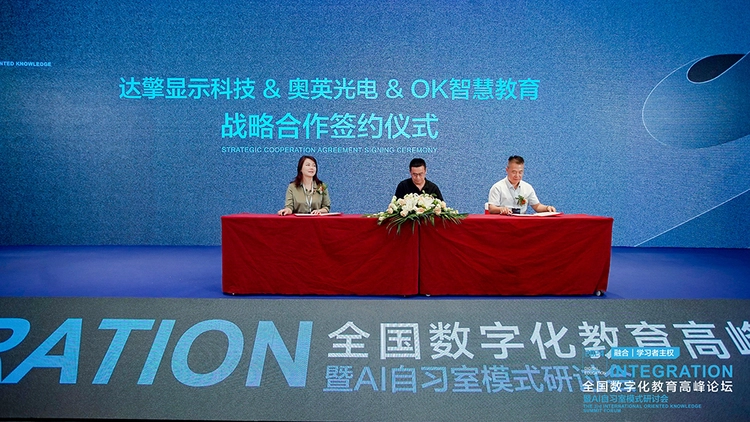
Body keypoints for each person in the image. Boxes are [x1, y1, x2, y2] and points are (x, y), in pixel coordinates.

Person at [487, 155, 556, 215]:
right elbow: (492, 208)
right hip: (504, 221)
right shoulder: (497, 187)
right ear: (507, 170)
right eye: (514, 172)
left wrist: (547, 208)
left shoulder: (527, 187)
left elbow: (537, 206)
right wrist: (501, 209)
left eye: (520, 172)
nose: (517, 175)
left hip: (522, 222)